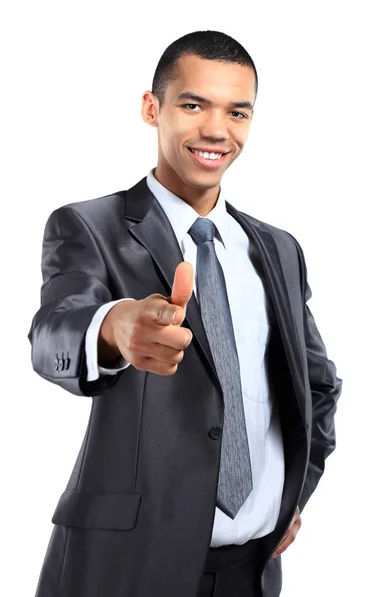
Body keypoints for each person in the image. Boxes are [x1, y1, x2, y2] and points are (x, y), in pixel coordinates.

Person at [28, 30, 342, 597]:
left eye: (237, 112)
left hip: (253, 571)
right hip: (125, 567)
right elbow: (55, 327)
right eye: (194, 105)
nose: (217, 130)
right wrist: (115, 327)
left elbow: (317, 386)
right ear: (153, 109)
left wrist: (292, 493)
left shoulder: (279, 249)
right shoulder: (88, 226)